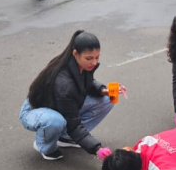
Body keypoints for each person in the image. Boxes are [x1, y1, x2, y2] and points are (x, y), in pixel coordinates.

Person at [20, 30, 121, 160]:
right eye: (89, 58)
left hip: (58, 105)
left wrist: (103, 90)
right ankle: (43, 145)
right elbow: (73, 125)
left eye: (97, 57)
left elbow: (88, 82)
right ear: (75, 53)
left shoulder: (81, 65)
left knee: (107, 98)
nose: (94, 62)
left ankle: (65, 138)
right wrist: (97, 148)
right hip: (35, 110)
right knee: (55, 121)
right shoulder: (64, 84)